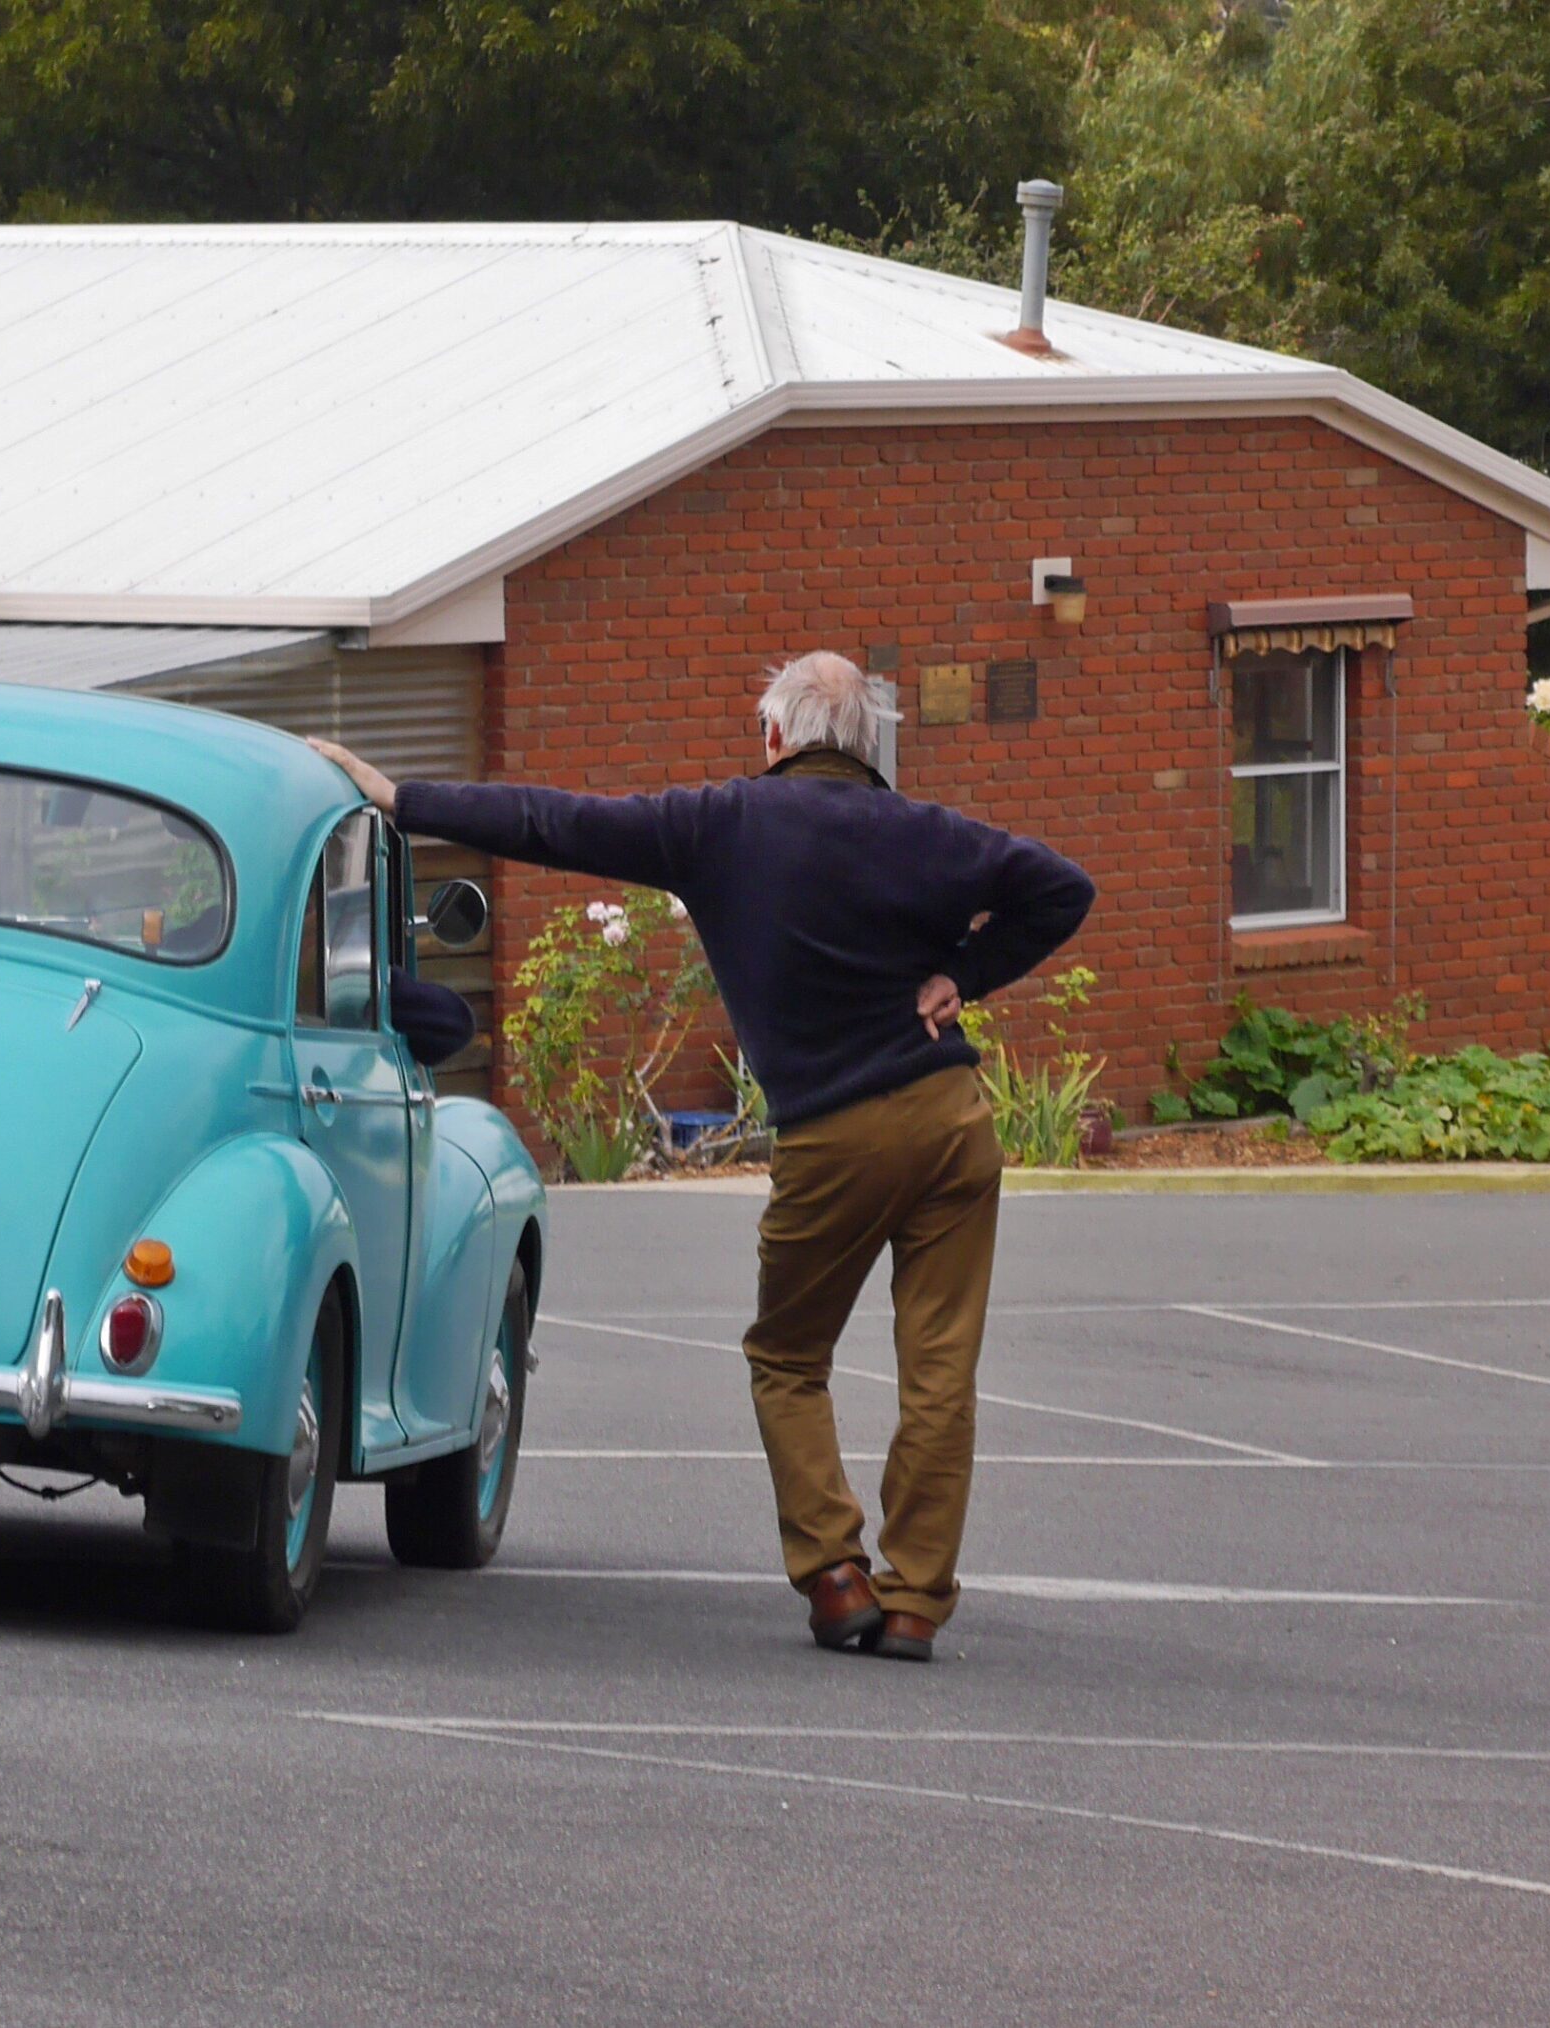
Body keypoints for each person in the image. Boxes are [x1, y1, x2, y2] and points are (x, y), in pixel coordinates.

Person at [307, 653, 1093, 1663]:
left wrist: (398, 797)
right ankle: (913, 1602)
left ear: (774, 739)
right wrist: (963, 973)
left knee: (788, 1355)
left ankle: (835, 1573)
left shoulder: (722, 824)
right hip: (951, 1120)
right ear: (865, 745)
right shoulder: (932, 834)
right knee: (937, 1370)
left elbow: (559, 821)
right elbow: (1062, 887)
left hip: (834, 1134)